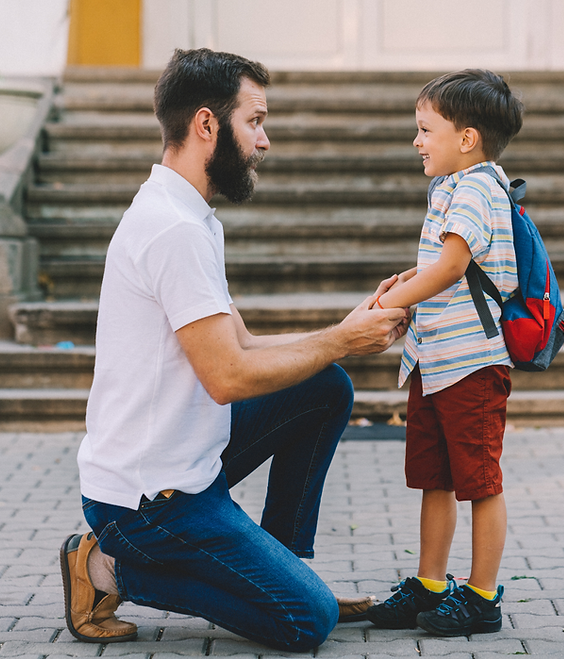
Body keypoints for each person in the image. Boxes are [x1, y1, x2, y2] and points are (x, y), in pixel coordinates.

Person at [59, 48, 408, 651]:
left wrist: (345, 333)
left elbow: (241, 344)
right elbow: (228, 377)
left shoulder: (190, 217)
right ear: (206, 125)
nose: (265, 140)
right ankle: (107, 567)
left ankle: (287, 565)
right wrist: (342, 340)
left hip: (186, 462)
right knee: (306, 622)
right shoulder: (173, 230)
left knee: (324, 387)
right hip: (147, 505)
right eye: (255, 121)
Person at [363, 69, 524, 636]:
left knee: (480, 480)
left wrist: (387, 308)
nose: (416, 140)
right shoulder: (449, 187)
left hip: (472, 364)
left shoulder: (480, 185)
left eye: (425, 128)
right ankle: (431, 584)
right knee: (435, 476)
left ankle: (482, 598)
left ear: (467, 138)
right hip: (434, 361)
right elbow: (445, 263)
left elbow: (455, 266)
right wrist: (405, 280)